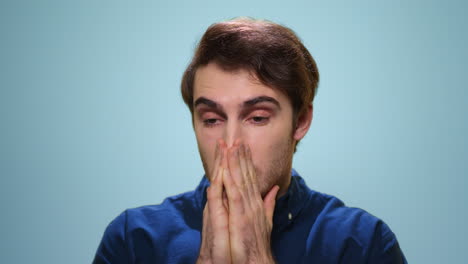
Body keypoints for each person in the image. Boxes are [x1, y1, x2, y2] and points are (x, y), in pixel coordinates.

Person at [93, 17, 407, 264]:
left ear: (300, 121)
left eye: (256, 118)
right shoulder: (133, 240)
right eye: (212, 120)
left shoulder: (363, 244)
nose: (231, 144)